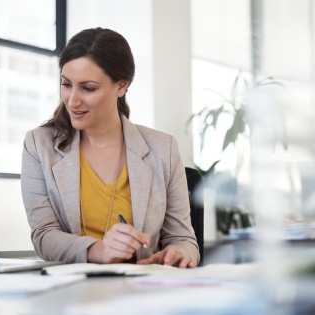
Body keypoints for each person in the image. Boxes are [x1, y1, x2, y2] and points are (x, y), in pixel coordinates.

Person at [21, 27, 199, 268]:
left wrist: (178, 253)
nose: (72, 100)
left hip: (141, 289)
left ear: (122, 86)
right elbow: (44, 235)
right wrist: (98, 250)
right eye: (66, 84)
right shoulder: (39, 146)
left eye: (88, 88)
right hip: (71, 291)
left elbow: (184, 240)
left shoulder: (163, 148)